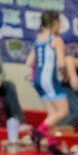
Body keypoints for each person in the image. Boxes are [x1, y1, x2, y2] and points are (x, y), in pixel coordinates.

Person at [26, 10, 69, 142]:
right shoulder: (56, 40)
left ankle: (51, 143)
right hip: (49, 80)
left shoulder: (38, 40)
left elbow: (29, 62)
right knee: (63, 111)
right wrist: (66, 75)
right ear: (55, 23)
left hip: (37, 80)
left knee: (52, 114)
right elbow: (61, 63)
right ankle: (38, 133)